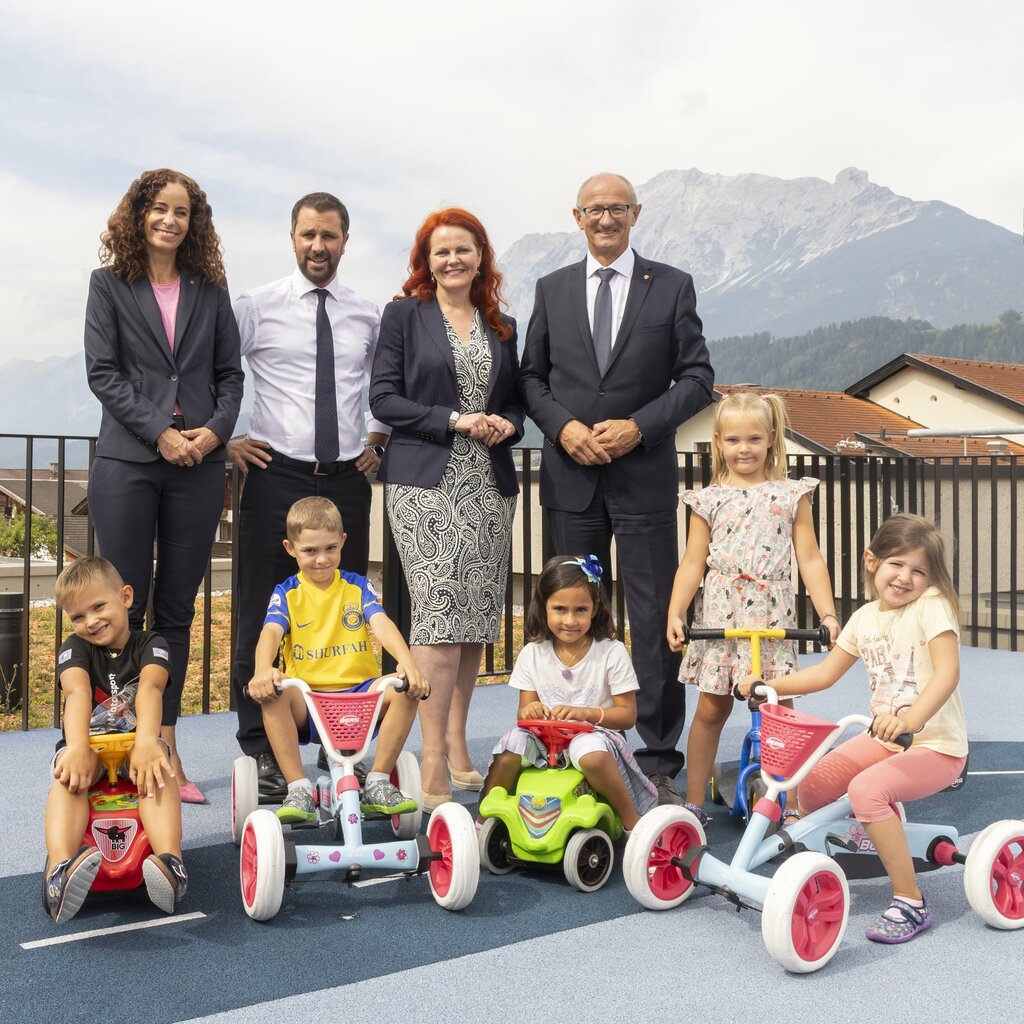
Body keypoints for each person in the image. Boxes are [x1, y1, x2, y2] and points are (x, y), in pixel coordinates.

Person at [519, 172, 715, 804]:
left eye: (617, 209)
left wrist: (639, 427)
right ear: (577, 217)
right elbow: (530, 380)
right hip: (571, 479)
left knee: (658, 617)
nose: (605, 219)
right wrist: (564, 428)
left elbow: (696, 378)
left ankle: (657, 754)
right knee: (570, 613)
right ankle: (560, 738)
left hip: (644, 478)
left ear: (636, 214)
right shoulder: (551, 289)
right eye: (594, 209)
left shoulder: (673, 285)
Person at [85, 168, 244, 804]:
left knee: (176, 610)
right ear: (139, 215)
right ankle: (112, 746)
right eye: (158, 209)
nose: (170, 220)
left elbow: (231, 377)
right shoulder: (108, 286)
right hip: (128, 461)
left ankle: (166, 748)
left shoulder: (211, 290)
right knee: (121, 608)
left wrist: (209, 436)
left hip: (198, 468)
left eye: (181, 211)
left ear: (193, 222)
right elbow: (103, 373)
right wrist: (161, 433)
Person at [738, 513, 967, 945]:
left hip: (935, 746)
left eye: (918, 571)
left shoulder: (931, 606)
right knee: (810, 786)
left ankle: (911, 902)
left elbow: (947, 673)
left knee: (865, 791)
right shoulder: (864, 619)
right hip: (883, 740)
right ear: (871, 561)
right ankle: (876, 830)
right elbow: (824, 674)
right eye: (896, 564)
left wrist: (910, 720)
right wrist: (769, 686)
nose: (905, 578)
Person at [228, 192, 390, 800]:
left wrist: (380, 438)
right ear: (291, 238)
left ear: (345, 240)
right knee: (259, 616)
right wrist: (224, 443)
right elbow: (212, 372)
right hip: (275, 476)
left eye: (329, 235)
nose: (317, 246)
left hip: (347, 479)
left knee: (345, 615)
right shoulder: (256, 307)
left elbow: (388, 382)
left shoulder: (367, 314)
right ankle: (263, 749)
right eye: (307, 235)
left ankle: (337, 745)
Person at [369, 208, 522, 810]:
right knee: (437, 611)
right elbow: (385, 398)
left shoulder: (502, 325)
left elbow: (517, 405)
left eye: (463, 249)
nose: (452, 260)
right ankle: (430, 757)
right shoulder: (403, 315)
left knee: (476, 615)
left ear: (481, 256)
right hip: (424, 479)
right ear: (425, 263)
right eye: (440, 252)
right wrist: (456, 420)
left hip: (487, 480)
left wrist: (504, 423)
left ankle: (458, 739)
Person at [666, 392, 839, 826]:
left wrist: (828, 614)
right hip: (722, 617)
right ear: (718, 442)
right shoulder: (708, 499)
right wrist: (676, 612)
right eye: (734, 440)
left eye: (754, 439)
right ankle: (693, 804)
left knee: (780, 710)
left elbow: (810, 558)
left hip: (772, 616)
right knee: (711, 708)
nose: (744, 449)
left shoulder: (790, 494)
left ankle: (794, 803)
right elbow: (692, 562)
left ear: (772, 438)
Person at [247, 497, 429, 820]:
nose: (321, 559)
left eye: (330, 548)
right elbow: (270, 633)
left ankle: (378, 780)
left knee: (405, 686)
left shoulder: (357, 587)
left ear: (343, 541)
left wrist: (409, 663)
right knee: (274, 693)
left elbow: (382, 624)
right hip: (310, 700)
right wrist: (263, 669)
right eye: (310, 551)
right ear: (291, 548)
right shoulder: (287, 592)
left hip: (361, 698)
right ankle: (298, 788)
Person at [44, 557, 187, 923]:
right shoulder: (75, 647)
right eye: (77, 616)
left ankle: (171, 862)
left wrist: (146, 741)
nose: (89, 621)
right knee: (68, 778)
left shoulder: (150, 643)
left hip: (134, 746)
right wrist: (76, 748)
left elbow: (151, 689)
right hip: (88, 746)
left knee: (159, 769)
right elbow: (76, 693)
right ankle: (59, 871)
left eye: (98, 607)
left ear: (125, 597)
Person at [477, 555, 657, 830]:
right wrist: (530, 710)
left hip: (594, 734)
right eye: (560, 609)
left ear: (595, 608)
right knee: (511, 744)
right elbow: (524, 713)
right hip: (543, 739)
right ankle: (484, 821)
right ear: (544, 607)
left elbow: (627, 716)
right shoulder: (533, 653)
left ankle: (633, 822)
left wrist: (586, 713)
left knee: (589, 752)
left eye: (581, 610)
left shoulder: (611, 652)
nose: (570, 620)